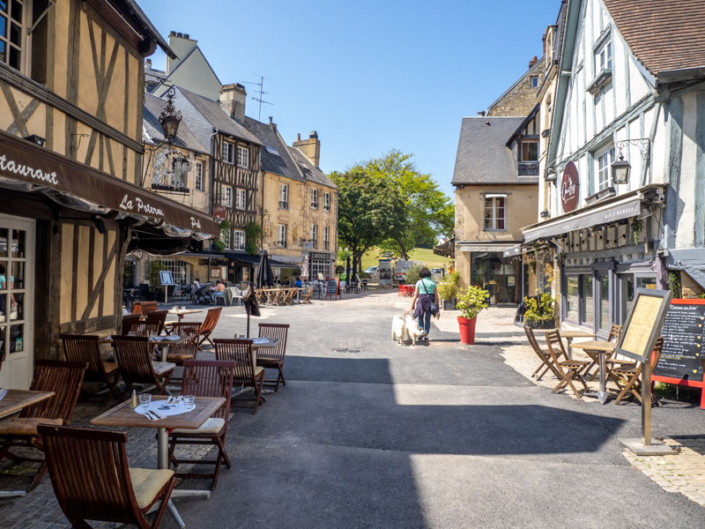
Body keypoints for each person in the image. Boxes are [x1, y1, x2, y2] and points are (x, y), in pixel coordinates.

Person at [411, 267, 440, 341]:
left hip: (421, 301)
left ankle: (421, 330)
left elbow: (416, 295)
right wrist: (438, 307)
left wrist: (412, 305)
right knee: (428, 318)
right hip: (430, 301)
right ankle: (426, 335)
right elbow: (436, 296)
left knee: (420, 316)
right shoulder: (433, 283)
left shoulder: (419, 282)